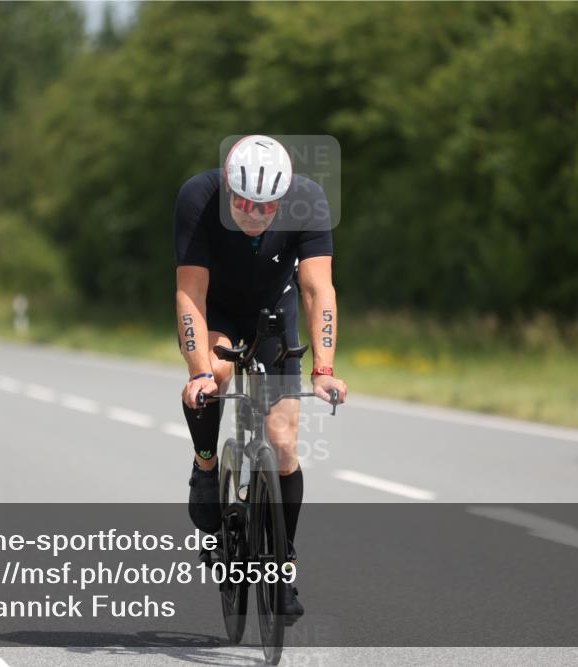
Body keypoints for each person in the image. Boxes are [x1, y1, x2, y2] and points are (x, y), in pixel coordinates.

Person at [174, 135, 348, 621]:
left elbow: (318, 290)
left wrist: (324, 368)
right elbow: (190, 294)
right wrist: (200, 373)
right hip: (219, 311)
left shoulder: (308, 199)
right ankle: (206, 468)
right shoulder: (199, 197)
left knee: (284, 444)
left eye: (265, 205)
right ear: (228, 188)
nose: (253, 213)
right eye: (243, 202)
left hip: (275, 310)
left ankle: (282, 563)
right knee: (217, 375)